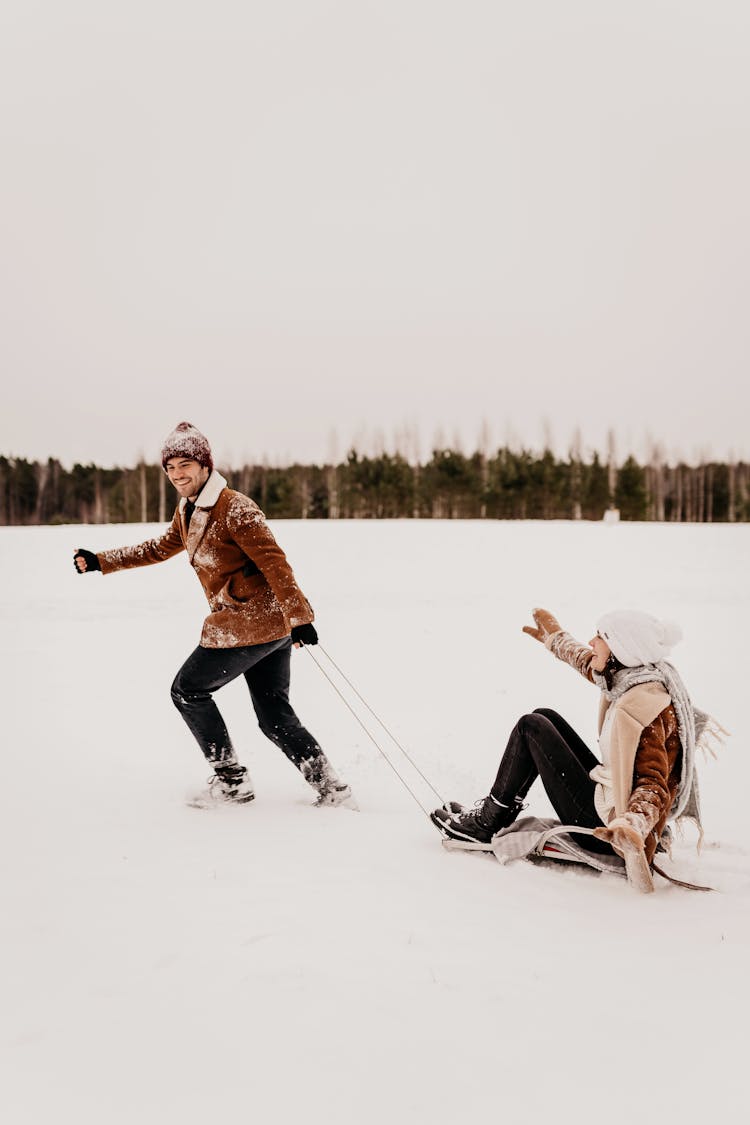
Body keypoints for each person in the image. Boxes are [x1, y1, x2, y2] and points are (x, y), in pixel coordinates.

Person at [74, 421, 354, 810]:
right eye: (170, 468)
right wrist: (103, 561)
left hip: (251, 622)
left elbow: (275, 563)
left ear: (205, 465)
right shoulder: (189, 510)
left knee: (187, 690)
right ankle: (331, 788)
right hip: (267, 627)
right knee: (273, 716)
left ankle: (233, 781)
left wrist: (299, 616)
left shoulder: (234, 507)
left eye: (185, 464)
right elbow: (160, 546)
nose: (177, 474)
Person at [431, 607, 717, 892]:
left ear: (621, 649)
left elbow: (654, 783)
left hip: (607, 828)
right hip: (607, 798)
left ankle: (487, 823)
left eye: (601, 637)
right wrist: (555, 637)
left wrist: (631, 825)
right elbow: (588, 661)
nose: (592, 642)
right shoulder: (633, 676)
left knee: (531, 727)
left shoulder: (647, 707)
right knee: (544, 715)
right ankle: (495, 815)